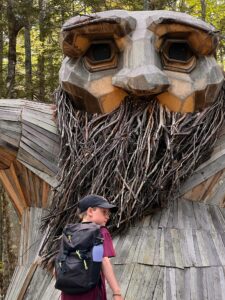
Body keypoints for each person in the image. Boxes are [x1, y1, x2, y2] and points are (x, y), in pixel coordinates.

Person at [61, 194, 124, 300]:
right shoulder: (100, 232)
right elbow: (104, 261)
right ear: (90, 211)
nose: (108, 216)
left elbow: (58, 266)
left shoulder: (69, 233)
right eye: (104, 212)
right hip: (91, 293)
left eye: (108, 213)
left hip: (68, 293)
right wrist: (116, 292)